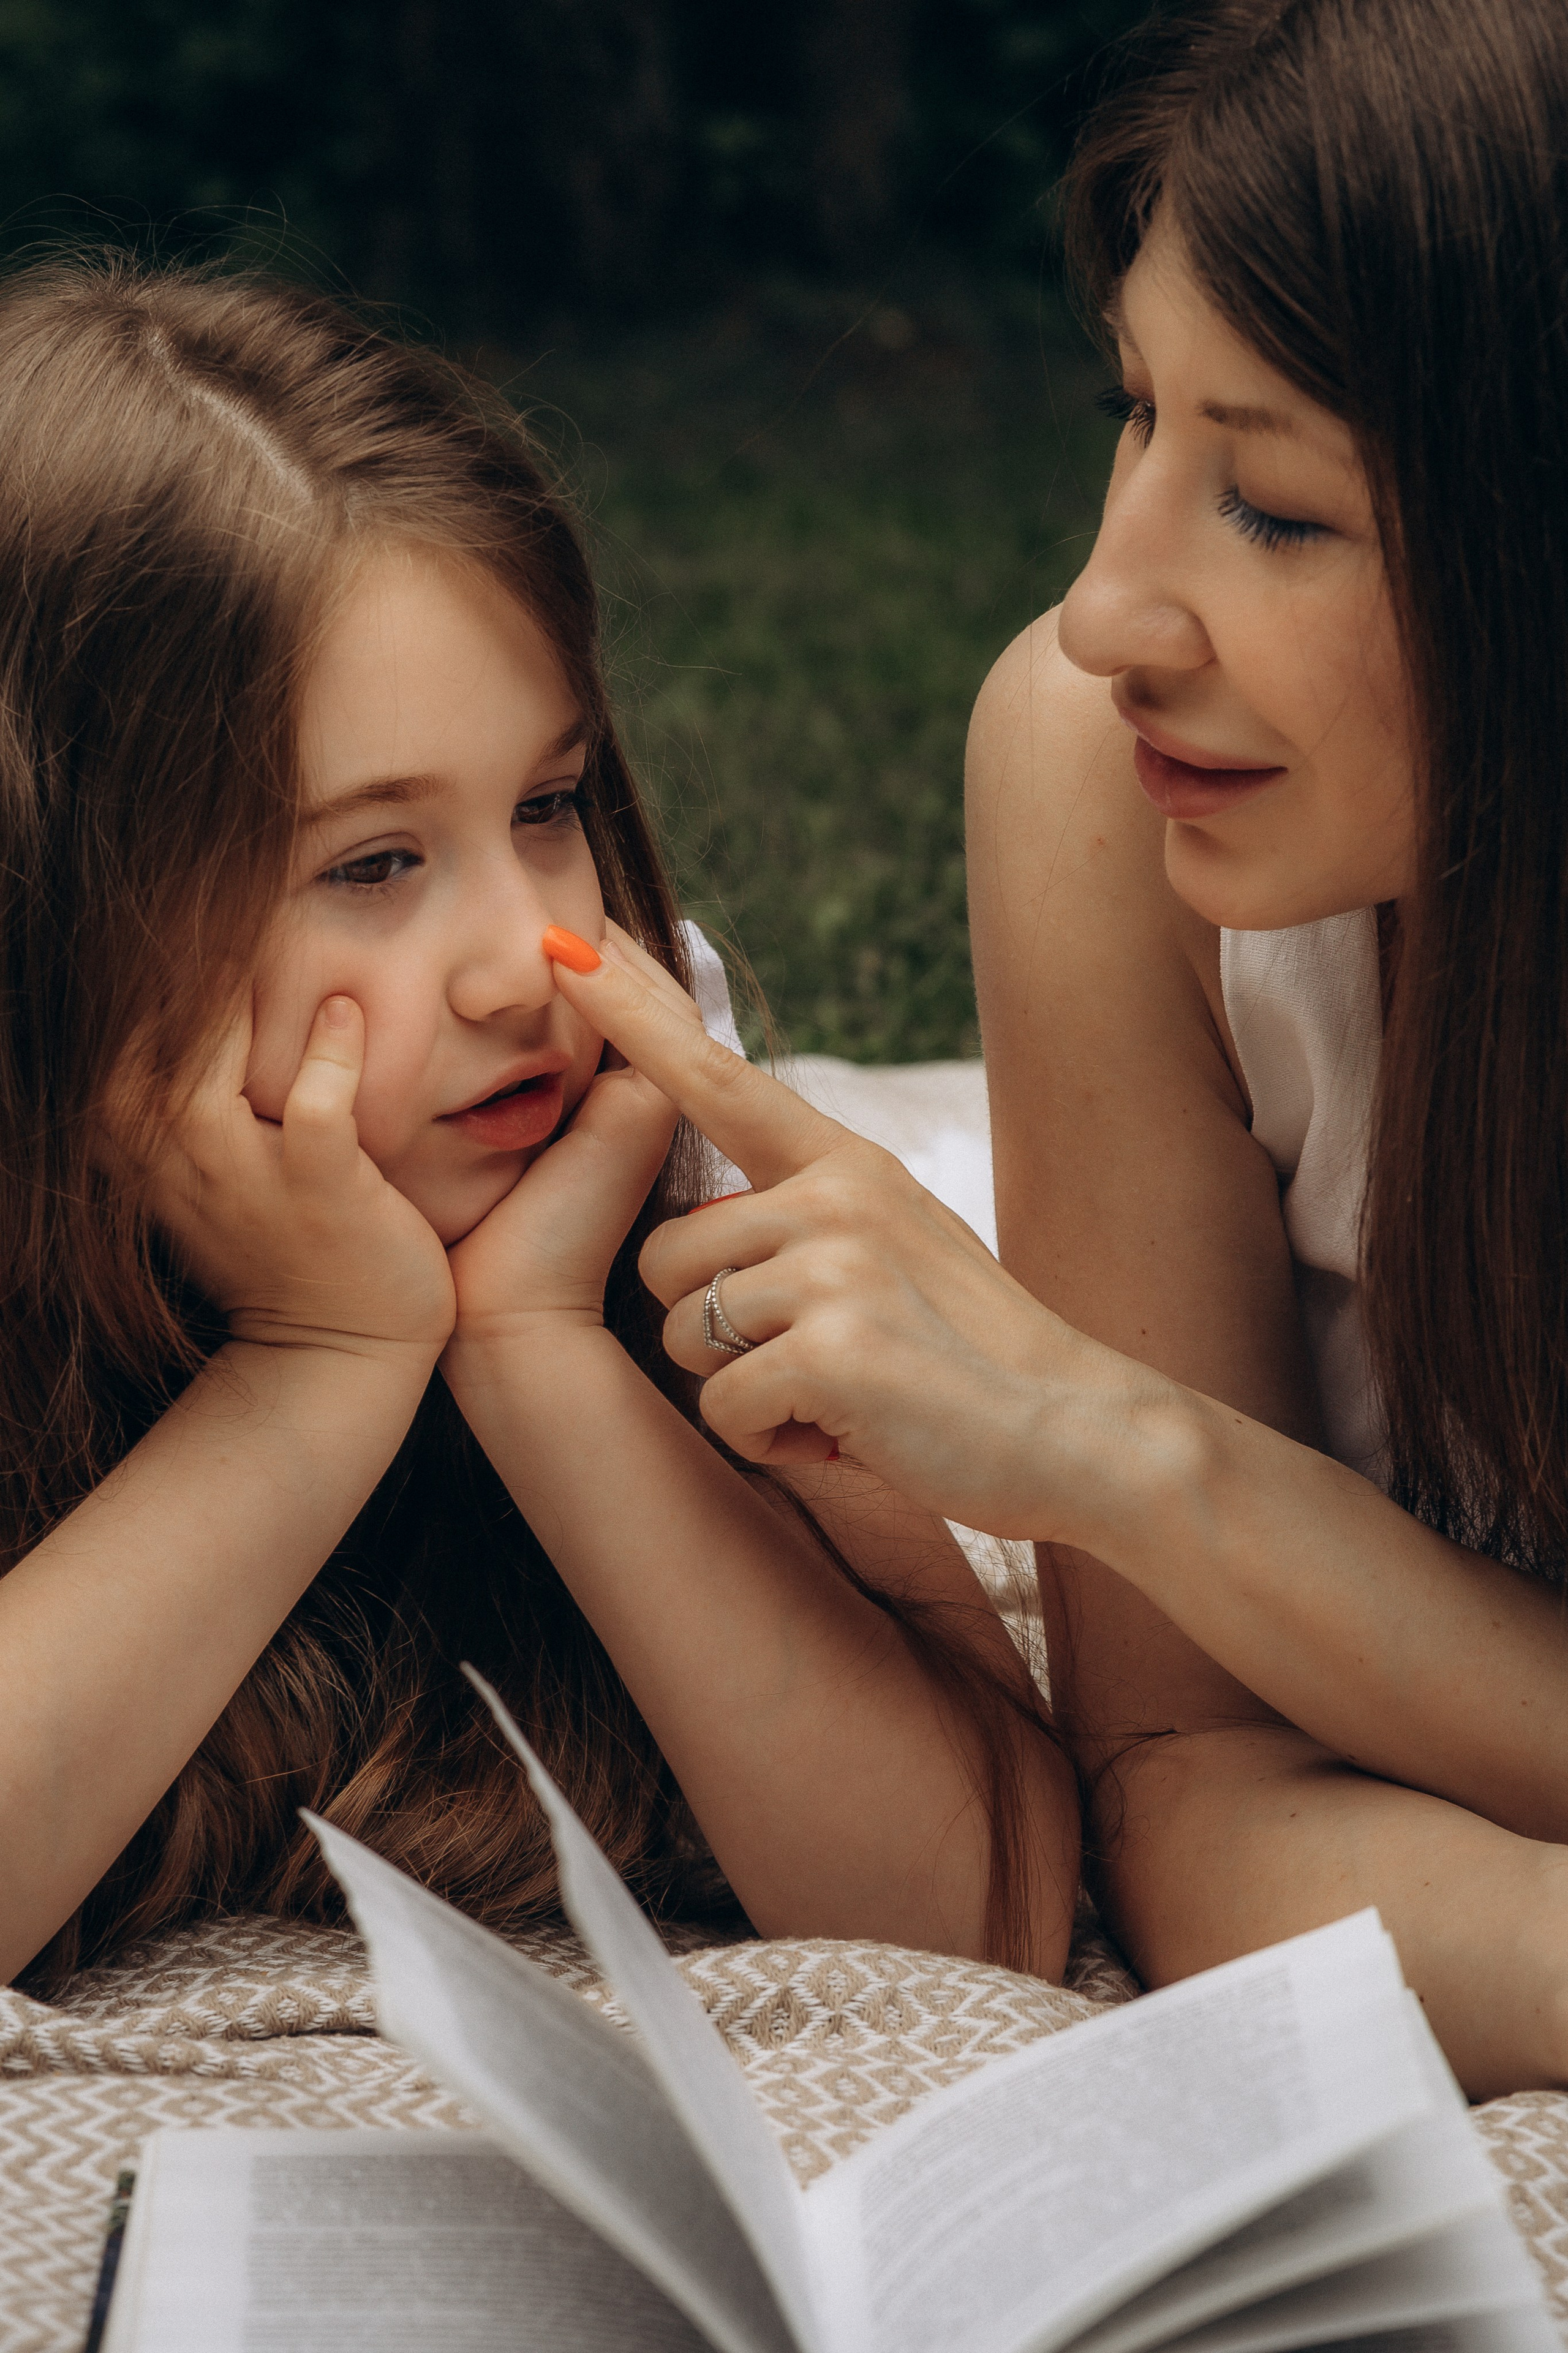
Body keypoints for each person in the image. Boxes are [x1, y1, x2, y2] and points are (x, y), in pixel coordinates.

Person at [562, 0, 1568, 2100]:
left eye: (1277, 507)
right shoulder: (1106, 774)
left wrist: (1139, 1458)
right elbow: (1194, 1791)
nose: (1111, 608)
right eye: (1133, 413)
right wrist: (1112, 1453)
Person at [0, 255, 1080, 1993]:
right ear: (52, 930)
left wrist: (537, 1344)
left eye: (549, 804)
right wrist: (316, 1362)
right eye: (372, 863)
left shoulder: (649, 1189)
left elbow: (982, 1916)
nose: (525, 963)